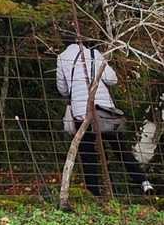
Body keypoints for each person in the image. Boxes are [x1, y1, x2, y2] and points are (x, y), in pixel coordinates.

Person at [56, 37, 154, 197]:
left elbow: (62, 89)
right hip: (104, 110)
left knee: (88, 153)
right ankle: (143, 182)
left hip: (81, 113)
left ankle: (94, 192)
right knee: (120, 148)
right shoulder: (94, 54)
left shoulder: (61, 58)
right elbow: (112, 79)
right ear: (83, 41)